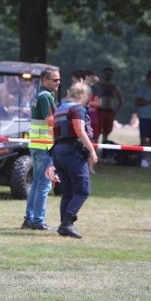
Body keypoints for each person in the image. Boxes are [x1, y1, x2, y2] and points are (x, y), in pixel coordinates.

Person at [51, 83, 98, 238]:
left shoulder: (59, 109)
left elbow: (54, 133)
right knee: (83, 190)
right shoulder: (77, 109)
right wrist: (91, 150)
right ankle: (67, 223)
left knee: (68, 192)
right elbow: (79, 130)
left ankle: (64, 223)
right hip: (72, 152)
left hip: (59, 151)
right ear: (83, 96)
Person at [22, 67, 61, 230]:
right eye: (55, 80)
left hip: (36, 144)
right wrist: (56, 141)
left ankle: (29, 219)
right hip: (45, 145)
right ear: (45, 80)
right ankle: (38, 221)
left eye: (59, 79)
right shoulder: (46, 97)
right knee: (44, 184)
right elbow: (50, 121)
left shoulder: (38, 95)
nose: (58, 82)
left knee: (37, 183)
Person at [97, 67, 124, 144]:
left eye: (109, 74)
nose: (107, 76)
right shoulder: (99, 85)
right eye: (106, 74)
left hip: (110, 111)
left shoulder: (114, 87)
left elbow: (121, 100)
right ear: (103, 74)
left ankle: (103, 149)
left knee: (106, 132)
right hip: (100, 111)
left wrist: (115, 112)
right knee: (97, 132)